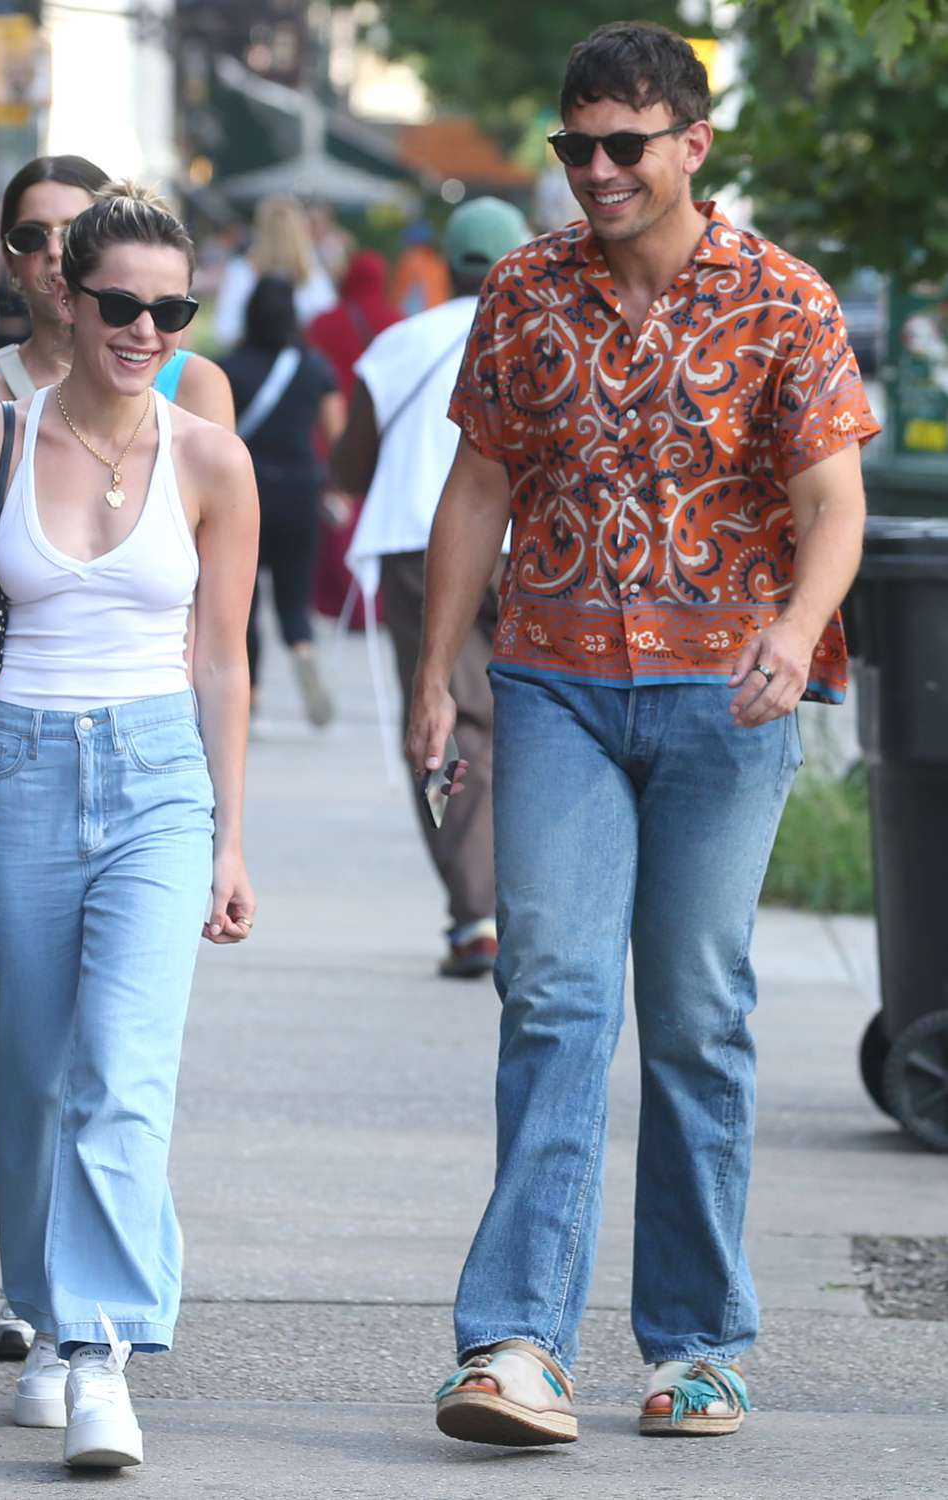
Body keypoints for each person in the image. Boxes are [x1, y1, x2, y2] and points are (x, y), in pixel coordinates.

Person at [407, 22, 879, 1446]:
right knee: (551, 995)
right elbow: (475, 489)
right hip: (549, 678)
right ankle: (512, 1344)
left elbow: (833, 505)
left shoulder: (779, 301)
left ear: (691, 142)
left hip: (723, 693)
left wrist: (795, 633)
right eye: (574, 147)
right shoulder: (524, 290)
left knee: (691, 1014)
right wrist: (436, 673)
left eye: (623, 145)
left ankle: (694, 1348)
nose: (595, 171)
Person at [0, 182, 258, 1470]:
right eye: (121, 304)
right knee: (32, 1068)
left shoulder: (212, 456)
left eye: (171, 308)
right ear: (67, 292)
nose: (145, 329)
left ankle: (100, 1351)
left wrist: (230, 838)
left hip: (158, 777)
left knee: (121, 1070)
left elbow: (224, 664)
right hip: (22, 769)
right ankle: (47, 1319)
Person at [333, 200, 530, 979]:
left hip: (420, 551)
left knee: (443, 723)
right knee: (533, 719)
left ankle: (476, 913)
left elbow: (348, 467)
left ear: (443, 265)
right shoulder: (538, 334)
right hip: (527, 548)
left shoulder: (401, 344)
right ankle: (528, 906)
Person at [221, 276, 345, 726]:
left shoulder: (229, 368)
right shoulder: (314, 367)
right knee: (294, 598)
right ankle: (303, 650)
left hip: (244, 496)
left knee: (244, 601)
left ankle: (250, 695)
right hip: (300, 492)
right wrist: (337, 489)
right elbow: (336, 436)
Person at [308, 249, 402, 623]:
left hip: (330, 423)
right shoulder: (395, 320)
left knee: (337, 517)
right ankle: (374, 601)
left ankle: (340, 598)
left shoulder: (323, 322)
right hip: (376, 429)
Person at [213, 195, 337, 348]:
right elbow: (328, 328)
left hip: (253, 360)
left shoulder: (241, 273)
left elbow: (226, 330)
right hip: (299, 362)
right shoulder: (314, 278)